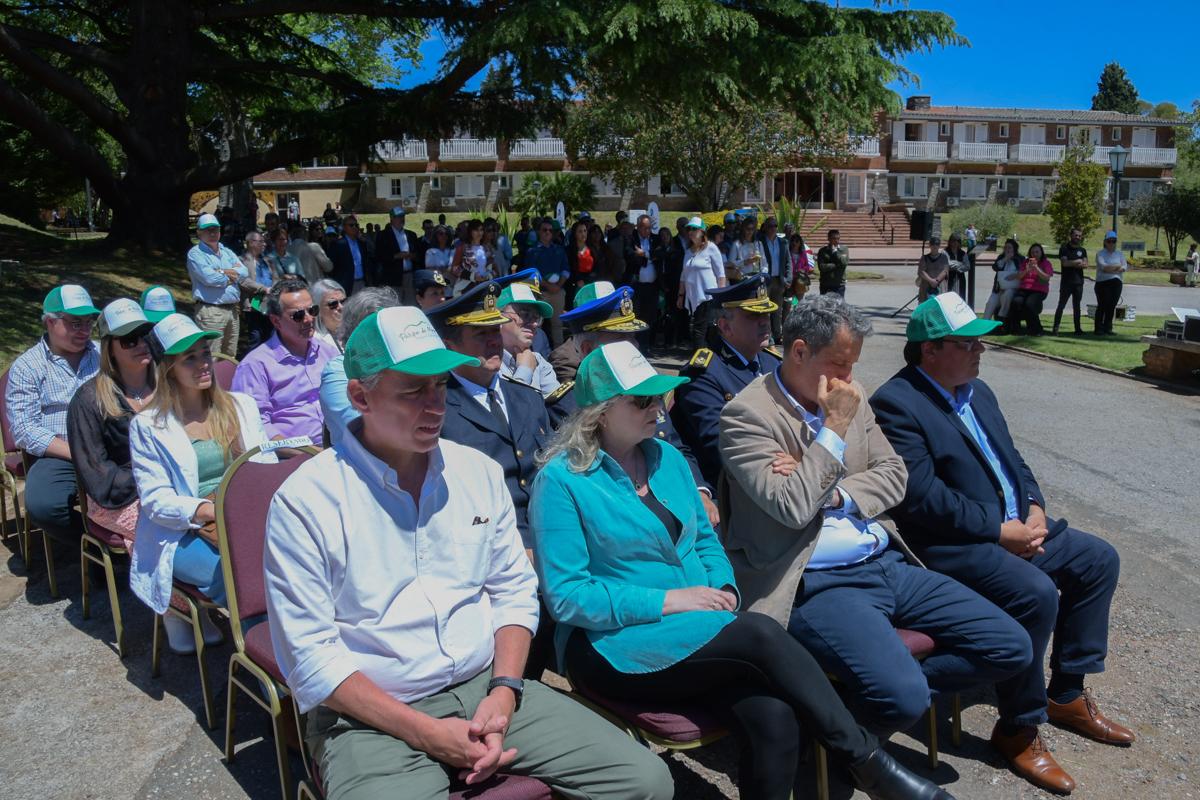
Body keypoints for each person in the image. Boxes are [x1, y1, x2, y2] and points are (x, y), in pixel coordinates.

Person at [263, 306, 673, 800]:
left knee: (645, 781)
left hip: (486, 686)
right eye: (413, 390)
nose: (435, 404)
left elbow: (513, 591)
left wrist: (504, 691)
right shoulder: (306, 500)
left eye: (439, 385)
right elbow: (309, 657)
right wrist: (425, 732)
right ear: (359, 397)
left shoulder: (475, 472)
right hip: (369, 716)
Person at [531, 340, 957, 800]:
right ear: (600, 411)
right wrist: (671, 601)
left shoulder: (666, 459)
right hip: (612, 645)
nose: (658, 408)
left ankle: (863, 763)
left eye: (659, 396)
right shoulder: (562, 480)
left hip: (695, 628)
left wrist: (724, 585)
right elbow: (569, 596)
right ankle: (866, 762)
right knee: (758, 633)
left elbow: (706, 541)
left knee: (775, 716)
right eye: (642, 400)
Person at [719, 294, 1032, 736]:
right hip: (815, 581)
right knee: (903, 698)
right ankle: (863, 712)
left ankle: (842, 700)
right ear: (800, 351)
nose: (849, 379)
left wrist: (831, 493)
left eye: (853, 365)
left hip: (885, 563)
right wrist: (834, 430)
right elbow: (790, 508)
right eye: (840, 364)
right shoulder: (746, 416)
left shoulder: (850, 393)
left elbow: (894, 475)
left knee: (1011, 646)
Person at [870, 293, 1133, 794]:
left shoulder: (977, 391)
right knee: (1033, 594)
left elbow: (1013, 461)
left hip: (1014, 528)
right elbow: (922, 500)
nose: (979, 351)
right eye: (967, 344)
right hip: (951, 546)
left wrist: (1032, 508)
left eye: (979, 343)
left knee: (1099, 559)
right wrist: (999, 531)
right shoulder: (897, 404)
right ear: (929, 351)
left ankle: (1067, 692)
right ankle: (1018, 727)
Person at [130, 313, 269, 653]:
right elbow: (156, 501)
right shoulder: (148, 426)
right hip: (181, 530)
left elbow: (263, 465)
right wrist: (209, 509)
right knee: (238, 579)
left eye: (205, 352)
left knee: (291, 562)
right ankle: (267, 660)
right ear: (167, 368)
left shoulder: (240, 406)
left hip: (241, 516)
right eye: (189, 358)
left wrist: (240, 510)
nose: (203, 363)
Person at [549, 287, 718, 528]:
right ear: (587, 350)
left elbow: (676, 446)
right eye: (620, 339)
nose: (634, 345)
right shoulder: (571, 403)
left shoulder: (646, 390)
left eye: (633, 336)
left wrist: (699, 491)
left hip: (673, 498)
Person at [427, 281, 551, 549]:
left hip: (553, 539)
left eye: (495, 329)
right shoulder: (437, 410)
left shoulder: (527, 398)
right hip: (488, 548)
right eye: (481, 333)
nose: (494, 340)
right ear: (450, 345)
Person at [7, 285, 101, 540]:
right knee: (44, 506)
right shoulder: (27, 366)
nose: (84, 330)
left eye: (88, 322)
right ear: (50, 322)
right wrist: (76, 452)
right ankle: (94, 547)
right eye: (75, 323)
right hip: (59, 454)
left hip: (107, 445)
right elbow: (25, 430)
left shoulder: (103, 355)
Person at [672, 276, 782, 488]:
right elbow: (722, 445)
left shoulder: (773, 363)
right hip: (734, 488)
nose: (764, 321)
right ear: (724, 326)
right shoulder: (703, 375)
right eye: (753, 315)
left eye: (766, 313)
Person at [68, 299, 157, 548]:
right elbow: (98, 476)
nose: (141, 344)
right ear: (110, 349)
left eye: (145, 335)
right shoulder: (88, 400)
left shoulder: (167, 386)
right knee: (170, 538)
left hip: (174, 484)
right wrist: (153, 480)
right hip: (119, 498)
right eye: (130, 339)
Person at [232, 279, 338, 447]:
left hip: (340, 444)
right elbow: (254, 427)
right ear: (276, 321)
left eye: (312, 310)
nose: (308, 319)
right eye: (298, 315)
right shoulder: (255, 366)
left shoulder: (328, 352)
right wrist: (307, 452)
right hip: (292, 458)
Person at [319, 287, 401, 448]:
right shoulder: (339, 371)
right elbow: (366, 433)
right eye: (374, 330)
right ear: (353, 333)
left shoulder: (403, 360)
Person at [187, 212, 249, 357]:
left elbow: (244, 272)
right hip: (211, 311)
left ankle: (226, 381)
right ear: (199, 232)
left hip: (232, 311)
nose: (212, 232)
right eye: (208, 229)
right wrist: (231, 275)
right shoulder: (195, 254)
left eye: (215, 229)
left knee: (229, 357)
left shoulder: (227, 251)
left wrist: (220, 271)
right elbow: (210, 279)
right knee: (211, 357)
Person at [497, 281, 559, 397]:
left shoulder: (539, 361)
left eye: (537, 318)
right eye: (525, 314)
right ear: (500, 316)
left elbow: (558, 410)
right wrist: (525, 371)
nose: (534, 324)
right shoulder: (487, 365)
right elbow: (506, 412)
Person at [679, 217, 727, 349]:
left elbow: (721, 274)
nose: (691, 231)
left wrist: (720, 296)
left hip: (708, 297)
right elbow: (683, 275)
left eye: (694, 229)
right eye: (689, 229)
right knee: (704, 331)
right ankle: (707, 360)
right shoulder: (688, 252)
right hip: (693, 297)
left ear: (702, 231)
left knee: (699, 331)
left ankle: (699, 362)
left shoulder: (711, 248)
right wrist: (680, 296)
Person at [524, 219, 571, 346]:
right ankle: (537, 352)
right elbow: (532, 273)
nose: (547, 233)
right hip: (540, 293)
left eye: (550, 230)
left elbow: (566, 270)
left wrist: (558, 286)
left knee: (558, 325)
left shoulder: (559, 250)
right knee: (537, 324)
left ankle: (560, 353)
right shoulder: (532, 251)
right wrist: (548, 285)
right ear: (539, 232)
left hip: (558, 292)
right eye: (544, 230)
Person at [627, 214, 660, 352]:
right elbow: (630, 254)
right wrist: (644, 256)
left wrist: (644, 254)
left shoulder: (655, 239)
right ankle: (635, 344)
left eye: (649, 228)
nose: (648, 231)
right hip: (636, 285)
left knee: (650, 315)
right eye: (645, 228)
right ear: (639, 227)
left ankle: (646, 345)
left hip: (652, 286)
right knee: (636, 314)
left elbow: (660, 253)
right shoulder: (631, 238)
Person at [1007, 244, 1053, 336]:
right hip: (1025, 288)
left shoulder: (1046, 263)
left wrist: (1036, 268)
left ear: (1041, 253)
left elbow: (1047, 278)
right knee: (1015, 302)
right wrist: (1026, 270)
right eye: (1033, 252)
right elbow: (1019, 277)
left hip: (1039, 290)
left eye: (1037, 252)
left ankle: (1036, 329)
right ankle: (1016, 329)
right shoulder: (1026, 262)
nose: (1035, 254)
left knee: (1030, 304)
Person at [375, 206, 418, 302]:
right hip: (392, 278)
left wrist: (412, 255)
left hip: (409, 276)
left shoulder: (411, 235)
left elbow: (418, 254)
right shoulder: (383, 235)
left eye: (403, 216)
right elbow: (379, 256)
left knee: (411, 305)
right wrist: (397, 256)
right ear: (391, 218)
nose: (402, 219)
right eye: (398, 217)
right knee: (395, 306)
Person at [757, 216, 790, 342]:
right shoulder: (760, 242)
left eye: (775, 226)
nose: (772, 228)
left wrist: (788, 278)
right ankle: (767, 335)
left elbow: (788, 262)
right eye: (770, 226)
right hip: (766, 280)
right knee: (765, 309)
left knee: (777, 309)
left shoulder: (783, 243)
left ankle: (777, 335)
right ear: (765, 227)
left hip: (779, 280)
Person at [1053, 228, 1088, 335]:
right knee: (1061, 305)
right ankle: (1055, 328)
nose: (1077, 237)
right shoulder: (1064, 248)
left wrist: (1073, 262)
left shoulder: (1083, 250)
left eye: (1079, 236)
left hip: (1078, 282)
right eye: (1076, 235)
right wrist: (1077, 261)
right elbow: (1064, 263)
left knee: (1077, 306)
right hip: (1066, 282)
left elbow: (1085, 264)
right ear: (1071, 236)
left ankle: (1077, 329)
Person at [982, 239, 1023, 327]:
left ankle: (1001, 318)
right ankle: (984, 326)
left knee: (1007, 294)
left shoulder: (1019, 259)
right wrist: (1005, 259)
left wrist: (1014, 275)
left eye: (1010, 247)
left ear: (1014, 248)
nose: (1007, 249)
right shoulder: (1001, 258)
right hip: (999, 289)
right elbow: (995, 267)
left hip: (1012, 289)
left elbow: (1022, 272)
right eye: (1006, 247)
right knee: (990, 303)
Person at [1094, 232, 1127, 335]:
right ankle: (1098, 328)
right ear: (1105, 242)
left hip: (1117, 283)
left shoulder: (1120, 254)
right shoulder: (1100, 254)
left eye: (1114, 241)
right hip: (1103, 283)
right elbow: (1104, 267)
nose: (1111, 243)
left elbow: (1124, 267)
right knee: (1102, 305)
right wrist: (1117, 266)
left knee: (1112, 306)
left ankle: (1108, 328)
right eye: (1109, 241)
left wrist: (1112, 268)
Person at [329, 215, 372, 295]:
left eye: (356, 225)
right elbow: (332, 267)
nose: (354, 227)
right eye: (351, 225)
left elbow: (366, 263)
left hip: (362, 283)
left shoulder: (362, 243)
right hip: (346, 285)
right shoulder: (337, 244)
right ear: (344, 228)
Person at [451, 219, 495, 295]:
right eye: (476, 230)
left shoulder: (487, 248)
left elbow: (493, 268)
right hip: (465, 288)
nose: (479, 233)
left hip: (484, 287)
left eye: (481, 230)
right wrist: (472, 276)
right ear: (470, 232)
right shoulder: (462, 248)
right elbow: (454, 268)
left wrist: (488, 275)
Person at [311, 279, 347, 352]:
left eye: (343, 301)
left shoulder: (357, 329)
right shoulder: (315, 342)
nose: (341, 307)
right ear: (318, 309)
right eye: (333, 304)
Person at [816, 229, 849, 298]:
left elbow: (844, 263)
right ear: (828, 239)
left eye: (838, 238)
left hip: (839, 284)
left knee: (838, 307)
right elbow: (822, 267)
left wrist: (835, 252)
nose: (836, 241)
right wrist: (837, 265)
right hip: (825, 284)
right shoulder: (823, 251)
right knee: (825, 307)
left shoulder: (844, 249)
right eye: (834, 238)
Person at [916, 237, 950, 303]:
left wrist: (937, 280)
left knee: (939, 305)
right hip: (926, 286)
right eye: (933, 244)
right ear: (930, 245)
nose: (935, 246)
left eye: (937, 244)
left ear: (939, 245)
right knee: (926, 307)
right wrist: (931, 281)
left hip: (940, 286)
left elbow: (945, 270)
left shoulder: (944, 257)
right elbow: (921, 271)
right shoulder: (924, 258)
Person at [943, 233, 970, 298]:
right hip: (948, 278)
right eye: (953, 241)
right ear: (950, 241)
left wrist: (954, 265)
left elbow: (967, 266)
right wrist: (960, 264)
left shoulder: (963, 253)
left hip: (960, 279)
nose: (955, 243)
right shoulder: (945, 252)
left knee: (960, 297)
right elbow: (947, 264)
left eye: (957, 241)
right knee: (949, 297)